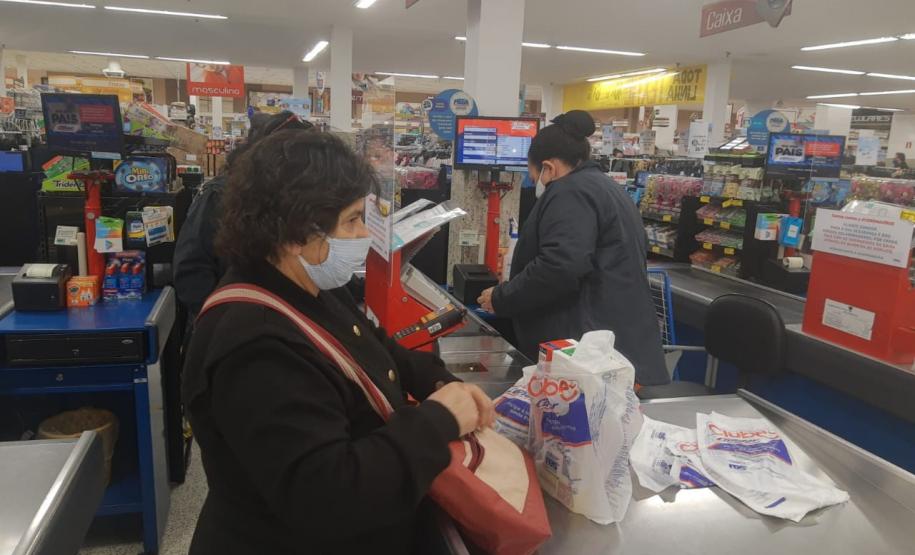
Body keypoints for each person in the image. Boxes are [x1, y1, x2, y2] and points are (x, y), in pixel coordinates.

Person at [182, 129, 494, 555]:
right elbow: (329, 495)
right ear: (294, 233)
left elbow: (375, 347)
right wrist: (438, 420)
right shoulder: (254, 345)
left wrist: (435, 381)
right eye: (351, 220)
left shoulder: (312, 284)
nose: (364, 234)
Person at [477, 110, 669, 386]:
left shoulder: (570, 192)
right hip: (616, 345)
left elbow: (559, 266)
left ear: (549, 168)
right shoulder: (606, 187)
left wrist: (502, 298)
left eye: (535, 177)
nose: (537, 184)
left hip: (591, 354)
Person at [173, 111, 313, 317]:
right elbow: (191, 270)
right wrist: (225, 320)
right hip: (231, 325)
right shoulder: (220, 194)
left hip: (277, 320)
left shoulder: (287, 195)